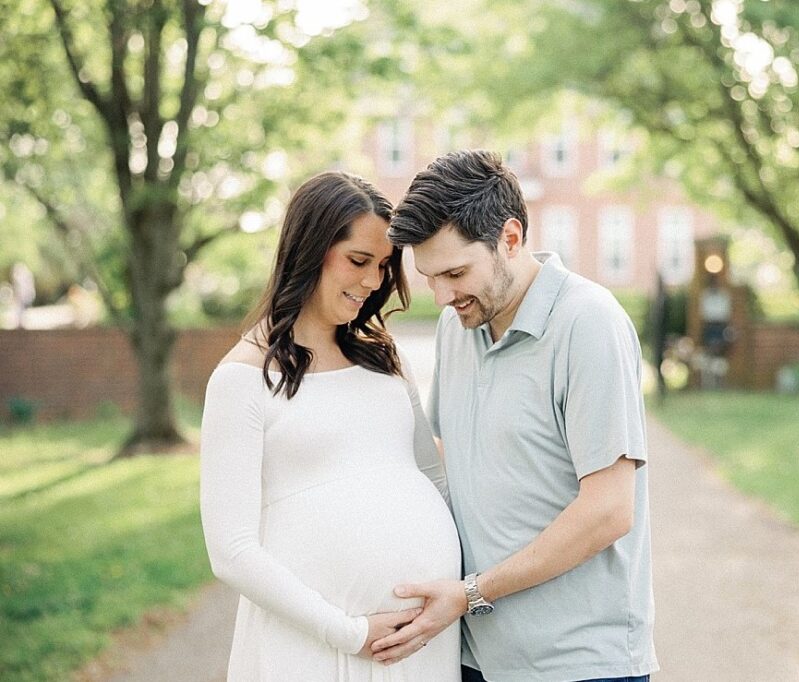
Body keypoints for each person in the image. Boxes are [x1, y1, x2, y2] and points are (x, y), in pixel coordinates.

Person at [376, 150, 658, 682]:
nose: (441, 296)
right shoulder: (458, 326)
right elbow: (448, 461)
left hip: (579, 664)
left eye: (455, 272)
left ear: (509, 238)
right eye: (430, 277)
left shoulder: (589, 323)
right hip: (477, 656)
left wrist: (470, 594)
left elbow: (609, 510)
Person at [199, 171, 461, 681]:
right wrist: (347, 632)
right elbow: (231, 552)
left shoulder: (384, 359)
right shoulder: (241, 380)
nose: (371, 281)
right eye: (358, 261)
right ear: (308, 250)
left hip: (423, 643)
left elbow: (436, 479)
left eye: (383, 266)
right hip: (315, 649)